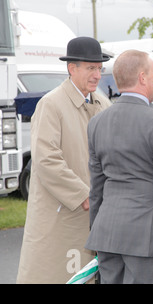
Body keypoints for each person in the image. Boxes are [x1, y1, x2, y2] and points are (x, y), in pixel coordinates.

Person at [85, 50, 153, 284]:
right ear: (143, 78)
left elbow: (97, 188)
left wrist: (98, 232)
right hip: (147, 238)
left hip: (107, 234)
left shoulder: (96, 124)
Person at [16, 37, 112, 283]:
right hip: (62, 218)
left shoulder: (103, 104)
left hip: (95, 214)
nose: (97, 74)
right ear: (72, 68)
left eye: (99, 68)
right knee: (57, 275)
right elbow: (46, 160)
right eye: (91, 68)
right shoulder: (51, 104)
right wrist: (83, 195)